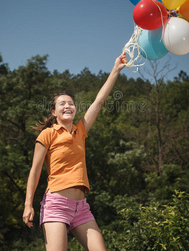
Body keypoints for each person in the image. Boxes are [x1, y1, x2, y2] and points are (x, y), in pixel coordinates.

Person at [22, 52, 127, 250]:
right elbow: (34, 172)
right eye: (62, 103)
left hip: (81, 208)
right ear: (54, 112)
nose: (68, 106)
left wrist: (115, 69)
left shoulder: (81, 130)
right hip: (56, 204)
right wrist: (28, 204)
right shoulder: (47, 134)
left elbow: (99, 101)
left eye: (70, 103)